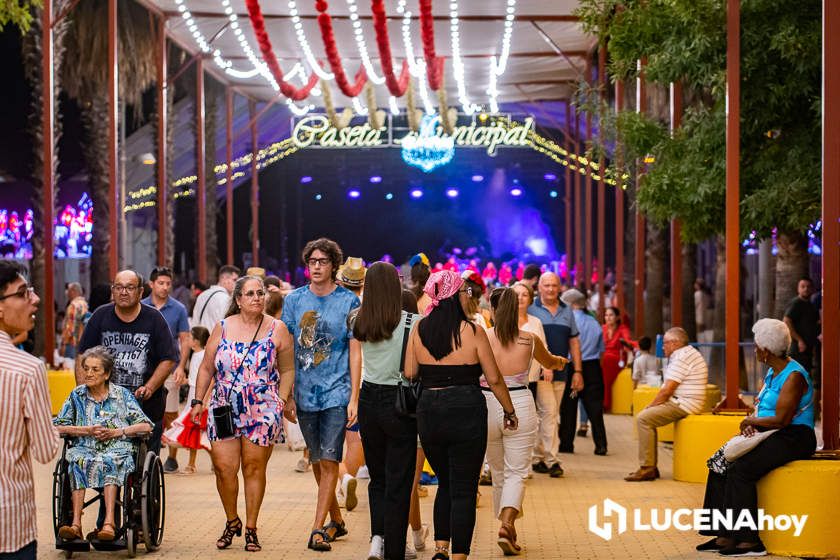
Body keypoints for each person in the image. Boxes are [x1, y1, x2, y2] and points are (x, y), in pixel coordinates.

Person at [404, 269, 518, 560]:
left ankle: (441, 548)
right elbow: (493, 379)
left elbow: (409, 372)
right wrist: (509, 409)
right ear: (456, 295)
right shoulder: (473, 331)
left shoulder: (419, 329)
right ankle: (460, 555)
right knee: (465, 487)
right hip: (466, 409)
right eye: (466, 292)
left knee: (445, 481)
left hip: (429, 410)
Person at [191, 275, 295, 552]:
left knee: (253, 467)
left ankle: (251, 527)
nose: (257, 298)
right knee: (224, 469)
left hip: (262, 409)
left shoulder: (278, 329)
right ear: (238, 300)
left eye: (260, 293)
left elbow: (287, 370)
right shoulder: (222, 328)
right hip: (224, 406)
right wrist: (197, 400)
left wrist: (281, 401)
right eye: (250, 294)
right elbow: (206, 367)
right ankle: (231, 520)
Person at [697, 318, 816, 556]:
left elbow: (782, 419)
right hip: (772, 430)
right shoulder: (773, 372)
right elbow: (765, 409)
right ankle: (724, 534)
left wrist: (751, 422)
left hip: (795, 436)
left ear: (766, 350)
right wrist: (754, 423)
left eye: (757, 346)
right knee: (719, 463)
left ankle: (749, 540)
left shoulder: (794, 376)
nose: (754, 350)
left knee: (742, 469)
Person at [281, 238, 361, 552]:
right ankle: (337, 521)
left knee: (329, 459)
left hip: (337, 392)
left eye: (323, 261)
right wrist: (286, 395)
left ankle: (317, 529)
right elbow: (286, 352)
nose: (316, 266)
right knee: (317, 459)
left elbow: (356, 352)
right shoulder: (294, 300)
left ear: (333, 266)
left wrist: (354, 396)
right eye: (312, 261)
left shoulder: (349, 302)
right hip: (303, 392)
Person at [486, 288, 569, 555]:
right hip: (519, 402)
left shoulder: (483, 337)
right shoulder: (529, 339)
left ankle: (506, 527)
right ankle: (507, 524)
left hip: (486, 402)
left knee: (498, 471)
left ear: (493, 309)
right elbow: (551, 362)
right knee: (517, 471)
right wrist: (560, 362)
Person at [352, 262, 421, 560]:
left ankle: (376, 539)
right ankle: (395, 548)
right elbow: (414, 369)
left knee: (377, 477)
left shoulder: (358, 321)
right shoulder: (413, 322)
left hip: (369, 400)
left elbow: (356, 360)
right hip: (400, 403)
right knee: (400, 480)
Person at [54, 346, 153, 541]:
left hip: (118, 448)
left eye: (95, 369)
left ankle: (109, 524)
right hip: (86, 448)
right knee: (76, 460)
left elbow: (146, 425)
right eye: (86, 368)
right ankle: (75, 524)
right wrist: (86, 430)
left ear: (107, 374)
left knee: (111, 460)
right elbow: (57, 427)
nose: (88, 373)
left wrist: (117, 432)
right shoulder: (77, 396)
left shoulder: (122, 395)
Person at [76, 269, 178, 455]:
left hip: (144, 405)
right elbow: (83, 355)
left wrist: (150, 387)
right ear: (112, 291)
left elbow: (168, 359)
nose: (124, 292)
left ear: (140, 292)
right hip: (104, 405)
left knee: (144, 466)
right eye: (119, 287)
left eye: (130, 287)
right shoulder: (100, 316)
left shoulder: (154, 319)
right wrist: (84, 390)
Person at [0, 260, 59, 559]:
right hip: (10, 522)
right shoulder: (26, 369)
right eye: (23, 293)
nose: (34, 300)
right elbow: (46, 450)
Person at [625, 327, 708, 481]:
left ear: (675, 343)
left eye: (665, 343)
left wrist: (651, 406)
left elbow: (667, 390)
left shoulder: (681, 357)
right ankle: (650, 466)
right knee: (647, 418)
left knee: (643, 418)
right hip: (684, 401)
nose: (663, 347)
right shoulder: (687, 353)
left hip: (684, 403)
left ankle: (647, 468)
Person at [528, 272, 583, 474]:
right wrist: (544, 364)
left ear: (560, 287)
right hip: (540, 371)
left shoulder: (567, 310)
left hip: (561, 371)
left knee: (550, 414)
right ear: (539, 287)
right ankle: (552, 460)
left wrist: (578, 370)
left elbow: (574, 342)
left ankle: (538, 457)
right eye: (547, 285)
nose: (550, 289)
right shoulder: (531, 308)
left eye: (554, 285)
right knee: (548, 414)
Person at [142, 266, 191, 473]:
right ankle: (145, 454)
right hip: (144, 368)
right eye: (160, 283)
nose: (164, 287)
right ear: (151, 284)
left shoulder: (178, 308)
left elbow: (185, 338)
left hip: (170, 367)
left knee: (170, 413)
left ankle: (171, 456)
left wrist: (181, 367)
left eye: (168, 283)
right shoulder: (141, 306)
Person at [335, 256, 367, 510]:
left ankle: (344, 476)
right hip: (369, 379)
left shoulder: (338, 307)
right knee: (357, 439)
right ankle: (348, 479)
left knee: (327, 442)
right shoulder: (371, 306)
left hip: (340, 380)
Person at [560, 289, 608, 455]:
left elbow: (567, 347)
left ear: (572, 305)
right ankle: (601, 445)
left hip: (572, 368)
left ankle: (566, 444)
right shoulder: (595, 323)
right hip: (592, 368)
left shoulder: (568, 322)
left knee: (569, 407)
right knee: (594, 408)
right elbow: (601, 350)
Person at [162, 326, 212, 474]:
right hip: (193, 395)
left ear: (196, 341)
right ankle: (204, 462)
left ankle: (192, 464)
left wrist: (203, 400)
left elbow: (208, 380)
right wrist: (186, 382)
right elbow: (194, 379)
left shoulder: (202, 355)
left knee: (195, 430)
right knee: (197, 433)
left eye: (190, 337)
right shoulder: (196, 355)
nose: (187, 340)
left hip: (197, 398)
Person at [601, 306, 636, 411]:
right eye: (606, 315)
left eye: (611, 315)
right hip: (604, 356)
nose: (608, 318)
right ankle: (601, 402)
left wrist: (634, 345)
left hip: (617, 358)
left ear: (617, 317)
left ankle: (605, 403)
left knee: (605, 362)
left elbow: (628, 341)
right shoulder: (602, 328)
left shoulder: (622, 328)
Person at [783, 277, 820, 375]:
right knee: (797, 377)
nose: (806, 289)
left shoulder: (810, 305)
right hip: (797, 350)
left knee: (805, 377)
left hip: (807, 350)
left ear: (812, 289)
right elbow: (786, 321)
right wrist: (799, 340)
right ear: (798, 289)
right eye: (802, 286)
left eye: (808, 287)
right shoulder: (796, 303)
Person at [192, 265, 241, 331]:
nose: (237, 284)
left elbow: (194, 323)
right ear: (224, 278)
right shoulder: (225, 299)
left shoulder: (202, 295)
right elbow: (227, 327)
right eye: (234, 280)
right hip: (216, 339)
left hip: (199, 339)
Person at [60, 282, 87, 360]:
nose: (67, 293)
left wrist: (64, 344)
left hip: (71, 343)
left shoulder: (73, 305)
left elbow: (70, 327)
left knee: (69, 368)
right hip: (81, 342)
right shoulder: (84, 304)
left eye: (68, 291)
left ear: (73, 291)